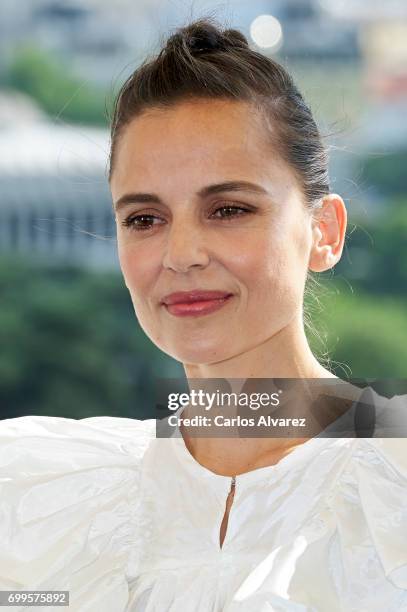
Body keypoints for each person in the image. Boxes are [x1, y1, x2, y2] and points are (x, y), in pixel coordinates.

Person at [1, 17, 406, 612]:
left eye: (229, 209)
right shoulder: (37, 497)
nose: (181, 255)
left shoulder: (392, 486)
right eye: (144, 219)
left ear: (325, 232)